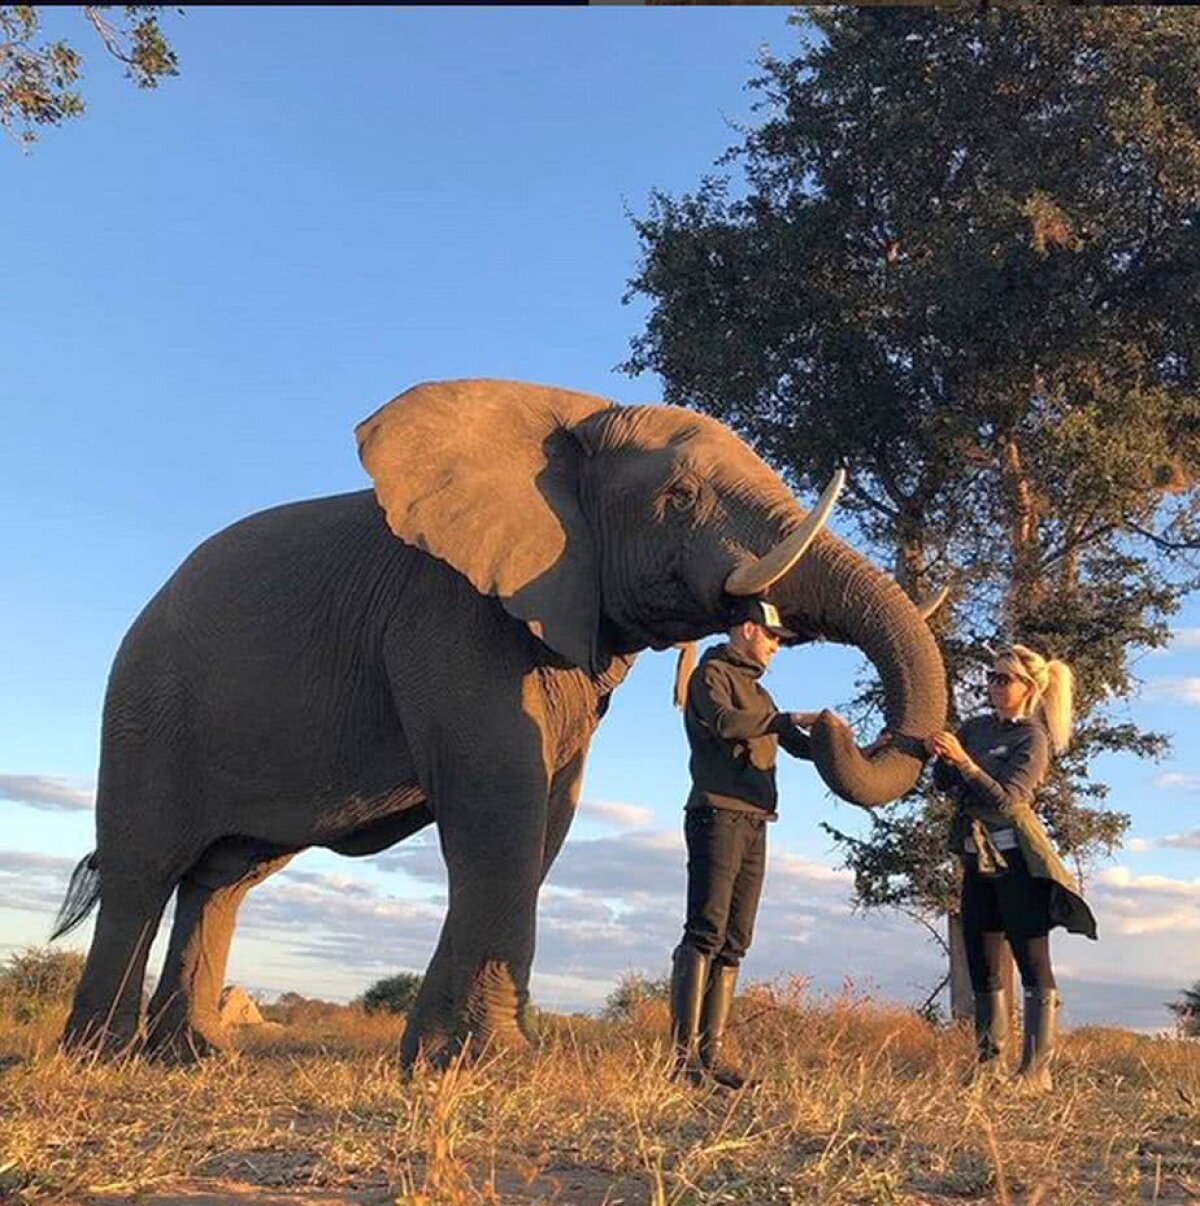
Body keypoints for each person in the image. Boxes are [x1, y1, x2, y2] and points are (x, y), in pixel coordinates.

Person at [668, 597, 839, 1090]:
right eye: (771, 637)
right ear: (746, 629)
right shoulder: (711, 676)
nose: (775, 647)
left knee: (735, 939)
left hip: (756, 819)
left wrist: (845, 746)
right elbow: (724, 723)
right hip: (716, 814)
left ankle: (711, 1056)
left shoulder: (761, 695)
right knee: (705, 930)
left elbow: (801, 746)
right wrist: (786, 720)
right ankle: (683, 1063)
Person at [925, 644, 1097, 1093]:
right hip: (975, 857)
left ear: (1029, 688)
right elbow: (947, 786)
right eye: (991, 676)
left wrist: (964, 762)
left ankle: (1036, 1071)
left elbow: (1009, 798)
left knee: (1030, 958)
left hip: (1018, 861)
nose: (994, 685)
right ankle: (989, 1064)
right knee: (982, 957)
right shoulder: (975, 728)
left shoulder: (1032, 739)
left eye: (1004, 679)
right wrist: (941, 759)